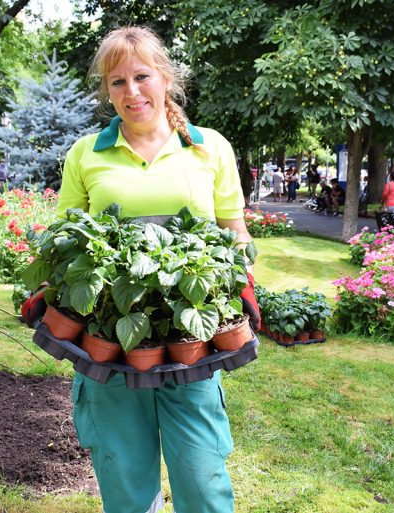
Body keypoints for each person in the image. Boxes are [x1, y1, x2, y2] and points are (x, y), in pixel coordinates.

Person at [53, 26, 260, 513]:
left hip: (191, 333)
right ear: (107, 91)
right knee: (123, 475)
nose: (132, 92)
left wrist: (237, 280)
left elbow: (236, 230)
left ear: (166, 78)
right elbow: (65, 236)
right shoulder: (86, 153)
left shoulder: (209, 147)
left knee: (201, 473)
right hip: (112, 330)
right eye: (117, 82)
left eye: (142, 76)